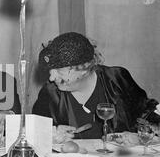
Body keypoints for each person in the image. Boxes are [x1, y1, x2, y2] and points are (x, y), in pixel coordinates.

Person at [32, 32, 160, 141]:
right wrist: (50, 135)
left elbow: (148, 114)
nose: (51, 77)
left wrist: (139, 136)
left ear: (83, 68)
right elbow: (35, 133)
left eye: (59, 71)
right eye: (50, 70)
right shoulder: (50, 93)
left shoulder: (117, 79)